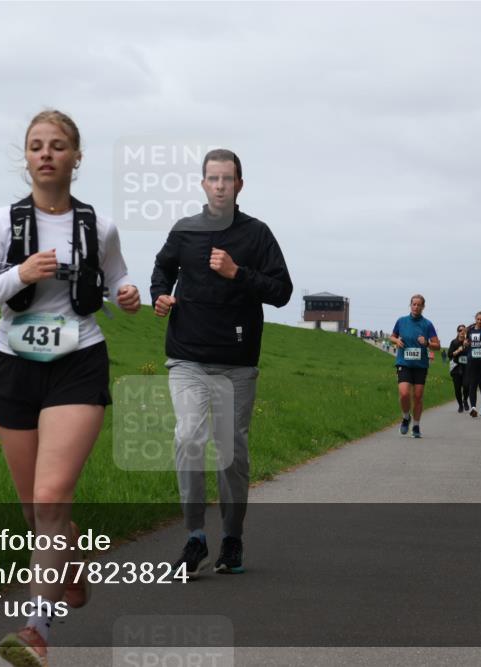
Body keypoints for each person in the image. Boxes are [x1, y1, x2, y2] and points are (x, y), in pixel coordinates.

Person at [0, 110, 141, 667]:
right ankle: (71, 564)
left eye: (57, 146)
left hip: (78, 362)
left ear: (76, 156)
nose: (45, 154)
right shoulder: (0, 223)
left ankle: (36, 629)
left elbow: (114, 284)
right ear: (26, 157)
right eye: (36, 146)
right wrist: (22, 274)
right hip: (13, 364)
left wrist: (127, 296)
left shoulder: (98, 226)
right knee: (33, 510)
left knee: (51, 496)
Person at [151, 148, 292, 578]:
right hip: (187, 357)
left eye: (227, 179)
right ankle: (195, 536)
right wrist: (160, 293)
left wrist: (238, 273)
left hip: (237, 362)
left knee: (231, 454)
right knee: (188, 436)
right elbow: (162, 267)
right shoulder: (185, 230)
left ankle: (232, 538)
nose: (219, 186)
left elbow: (282, 290)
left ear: (239, 185)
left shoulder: (257, 235)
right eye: (212, 178)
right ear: (202, 183)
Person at [389, 294, 441, 438]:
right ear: (410, 305)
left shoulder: (427, 324)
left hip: (420, 365)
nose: (416, 307)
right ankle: (406, 417)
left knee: (418, 396)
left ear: (423, 307)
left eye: (419, 305)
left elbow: (437, 346)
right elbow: (392, 336)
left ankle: (416, 426)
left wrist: (427, 343)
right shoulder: (401, 321)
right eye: (414, 304)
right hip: (403, 363)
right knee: (404, 393)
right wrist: (396, 341)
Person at [447, 325, 471, 413]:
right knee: (457, 388)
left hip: (466, 367)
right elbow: (449, 355)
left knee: (466, 385)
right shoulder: (454, 342)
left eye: (463, 330)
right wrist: (458, 350)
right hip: (456, 367)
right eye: (460, 330)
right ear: (457, 331)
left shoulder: (468, 342)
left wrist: (467, 346)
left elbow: (471, 354)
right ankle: (460, 405)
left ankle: (465, 400)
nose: (462, 332)